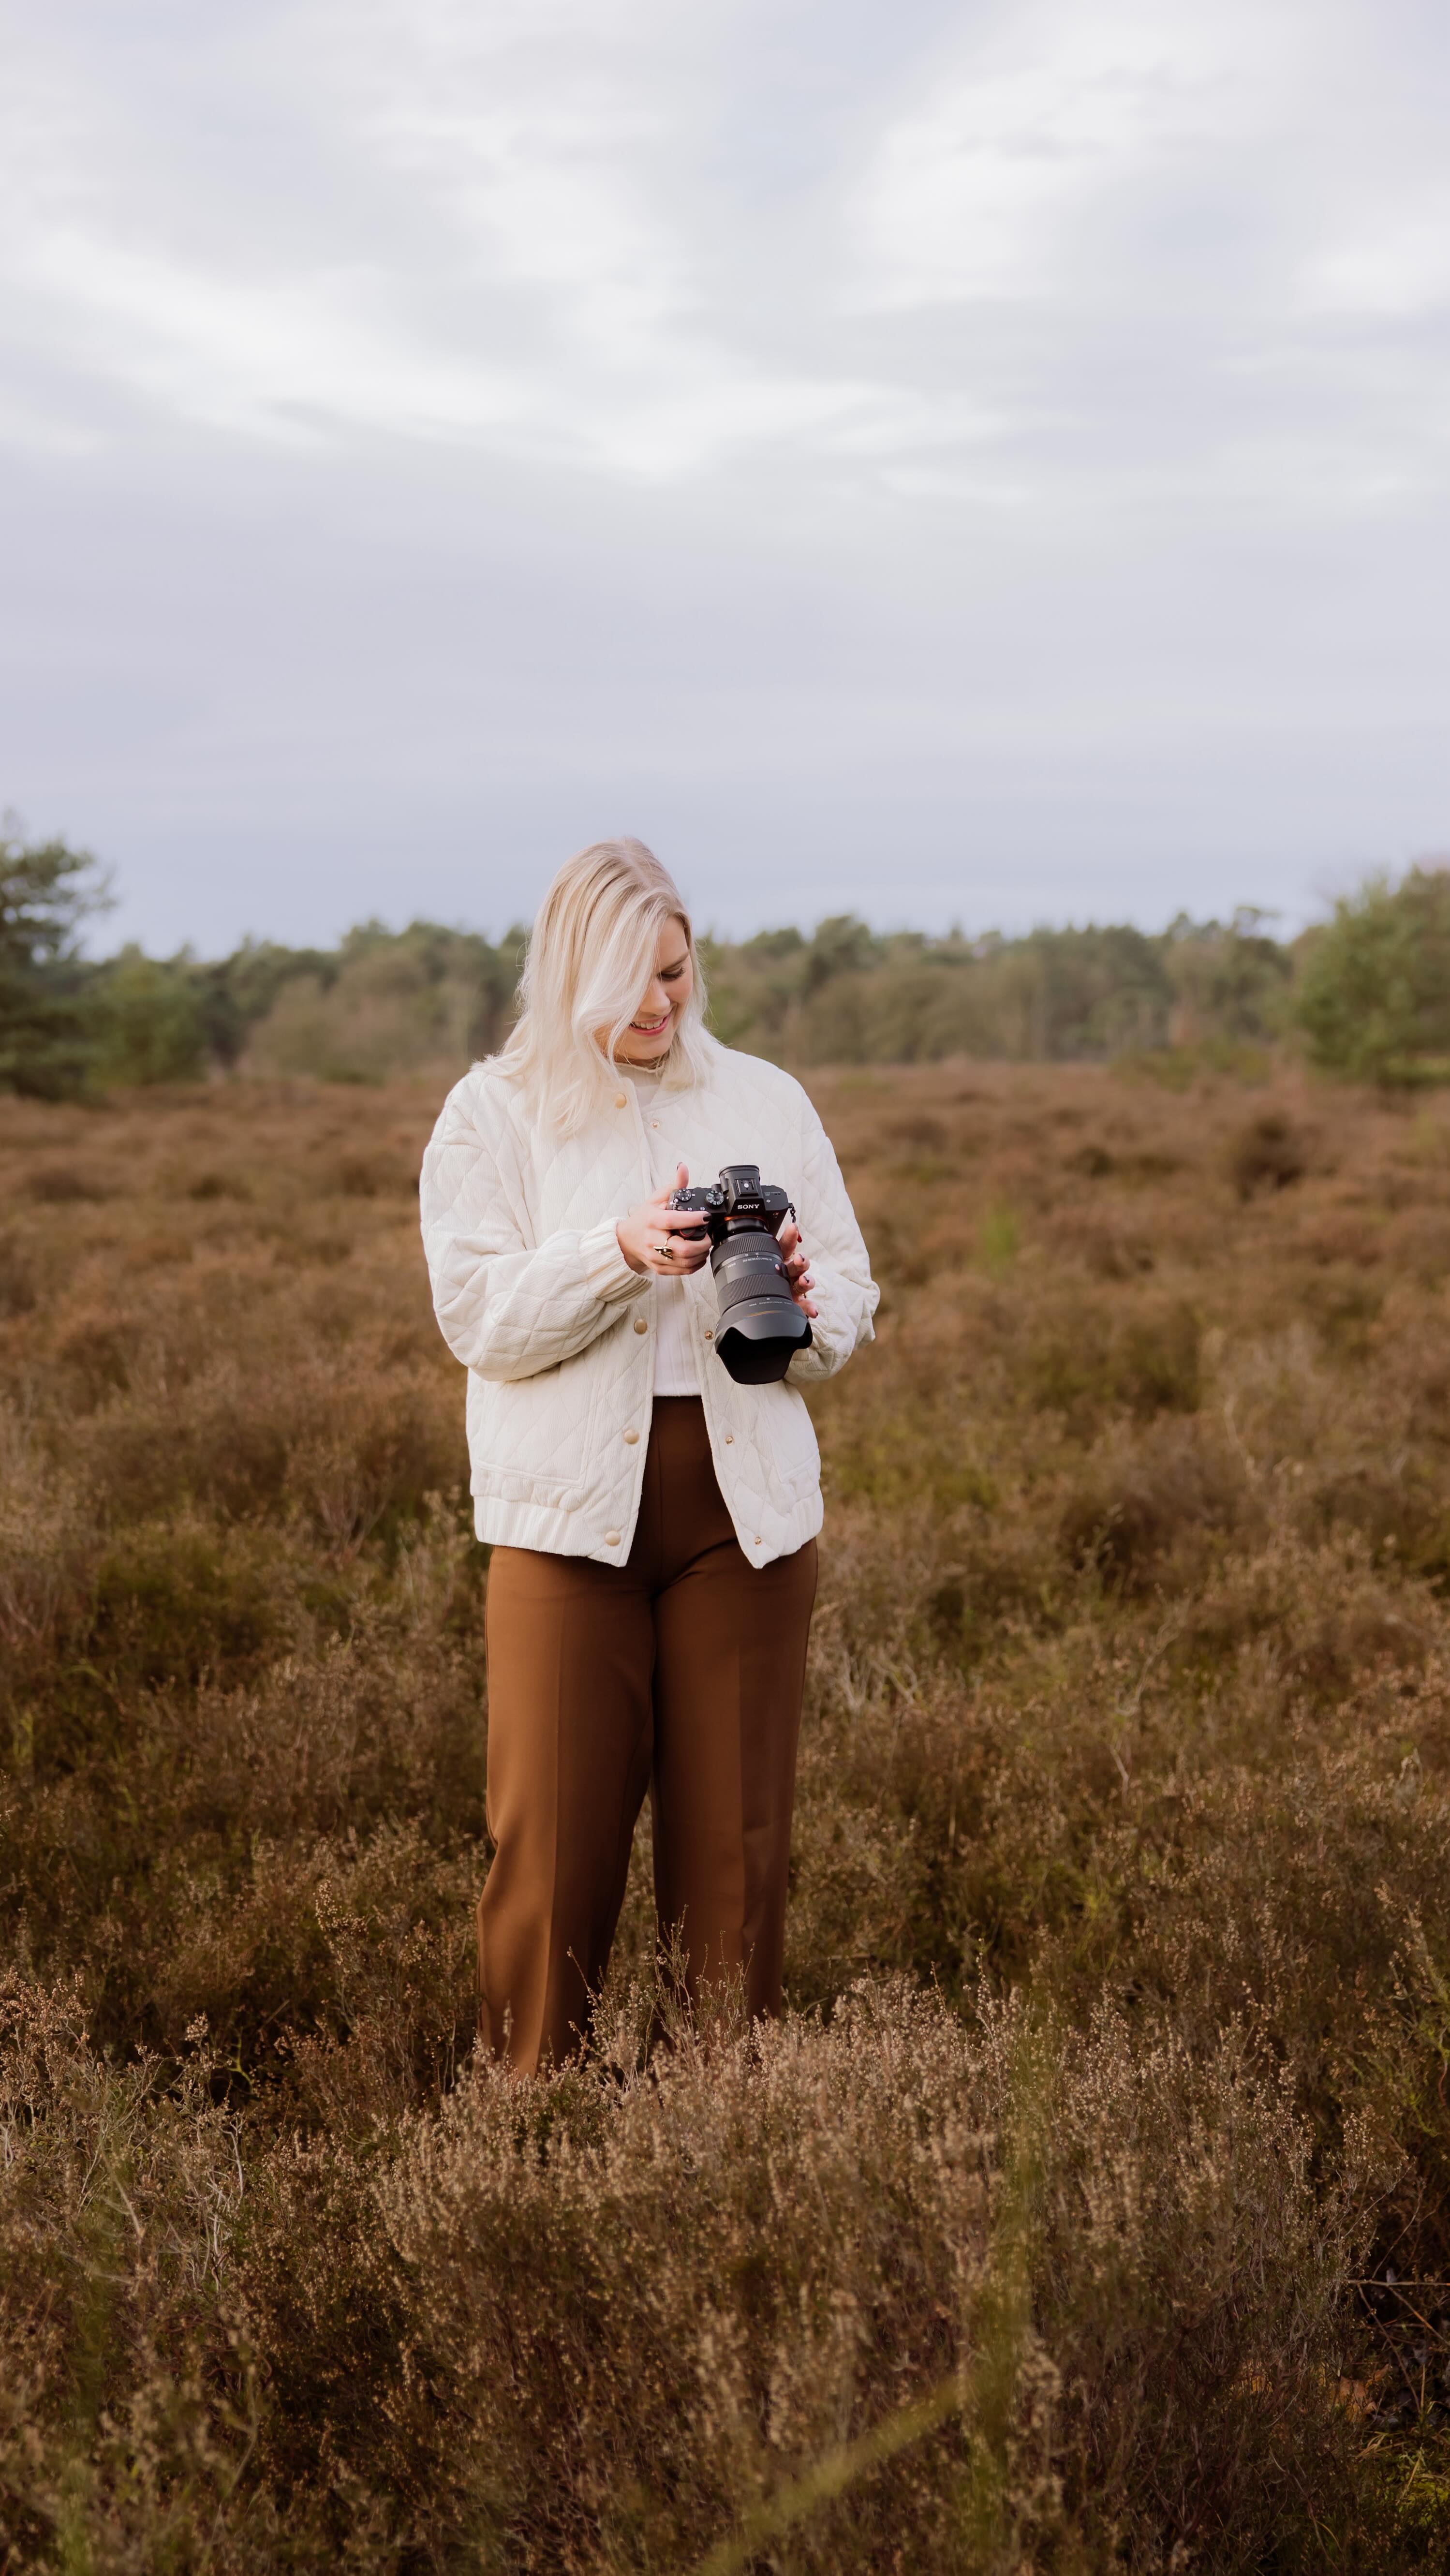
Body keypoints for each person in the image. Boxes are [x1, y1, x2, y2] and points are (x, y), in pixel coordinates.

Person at [419, 837, 877, 2072]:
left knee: (734, 1857)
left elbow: (845, 1290)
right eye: (631, 982)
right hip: (568, 1522)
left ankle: (709, 2142)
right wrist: (612, 1251)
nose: (661, 1005)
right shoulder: (490, 1113)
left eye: (676, 973)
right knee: (549, 1857)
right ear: (570, 974)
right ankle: (522, 2140)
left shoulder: (766, 1099)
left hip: (746, 1522)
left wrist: (802, 1298)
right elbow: (476, 1317)